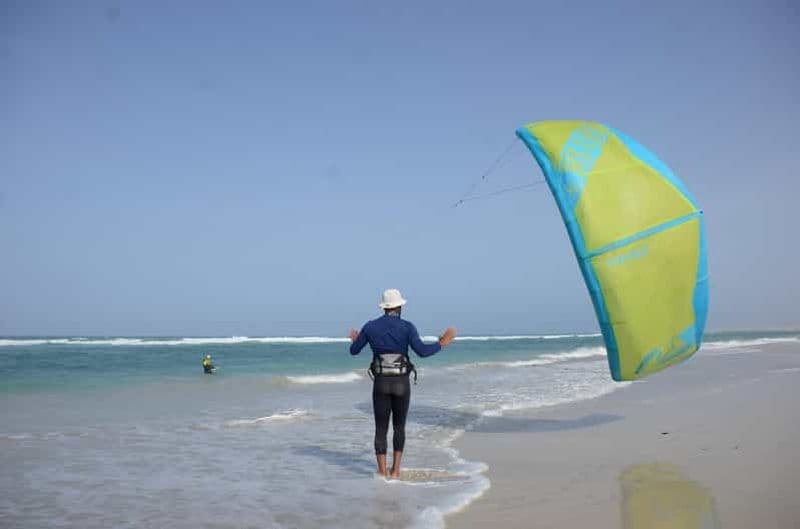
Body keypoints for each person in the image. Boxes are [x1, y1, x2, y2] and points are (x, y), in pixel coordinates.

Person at [349, 288, 456, 479]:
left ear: (383, 308)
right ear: (399, 307)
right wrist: (442, 344)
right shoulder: (407, 327)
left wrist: (357, 339)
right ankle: (396, 471)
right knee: (399, 427)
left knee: (380, 429)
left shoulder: (370, 327)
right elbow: (422, 351)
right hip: (401, 384)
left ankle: (382, 472)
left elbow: (354, 351)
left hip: (381, 384)